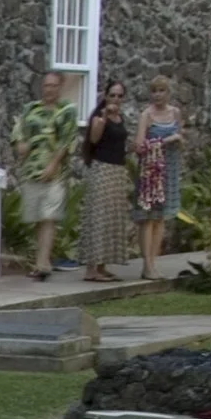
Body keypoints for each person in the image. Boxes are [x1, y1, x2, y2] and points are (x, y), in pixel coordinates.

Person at [11, 70, 79, 280]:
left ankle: (42, 263)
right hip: (32, 169)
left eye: (53, 85)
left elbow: (66, 141)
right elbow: (18, 132)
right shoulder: (31, 109)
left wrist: (53, 165)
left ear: (60, 87)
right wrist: (20, 144)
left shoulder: (66, 111)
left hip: (55, 172)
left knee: (49, 216)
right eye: (46, 85)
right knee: (37, 217)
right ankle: (44, 260)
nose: (49, 89)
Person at [77, 80, 131, 282]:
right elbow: (93, 139)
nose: (116, 99)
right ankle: (91, 269)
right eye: (113, 95)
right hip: (102, 169)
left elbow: (119, 143)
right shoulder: (100, 117)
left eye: (119, 96)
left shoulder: (121, 118)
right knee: (98, 217)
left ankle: (102, 265)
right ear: (106, 96)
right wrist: (103, 117)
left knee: (110, 218)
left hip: (118, 170)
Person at [133, 76, 185, 280]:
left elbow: (181, 137)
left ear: (168, 93)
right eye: (154, 91)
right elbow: (139, 145)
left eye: (162, 90)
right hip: (150, 172)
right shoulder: (146, 115)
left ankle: (154, 262)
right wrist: (164, 140)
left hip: (169, 169)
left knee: (161, 218)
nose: (158, 95)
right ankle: (146, 264)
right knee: (148, 218)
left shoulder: (175, 113)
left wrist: (178, 139)